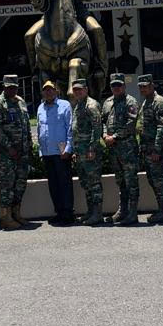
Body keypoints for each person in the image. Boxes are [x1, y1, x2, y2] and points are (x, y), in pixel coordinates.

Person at [0, 75, 31, 230]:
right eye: (9, 87)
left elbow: (26, 124)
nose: (11, 89)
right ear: (3, 86)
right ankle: (6, 217)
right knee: (7, 184)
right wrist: (9, 147)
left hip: (22, 152)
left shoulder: (20, 101)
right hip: (6, 154)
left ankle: (16, 213)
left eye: (14, 87)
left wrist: (27, 145)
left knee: (20, 183)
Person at [102, 74, 141, 226]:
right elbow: (103, 121)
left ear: (124, 86)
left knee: (131, 181)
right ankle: (122, 210)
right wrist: (105, 134)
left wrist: (115, 137)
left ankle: (132, 213)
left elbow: (131, 123)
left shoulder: (130, 101)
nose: (116, 88)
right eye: (113, 85)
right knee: (120, 181)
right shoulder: (107, 102)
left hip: (127, 148)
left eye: (119, 85)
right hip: (114, 150)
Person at [69, 78, 107, 226]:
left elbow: (97, 129)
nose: (77, 92)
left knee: (94, 183)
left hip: (90, 152)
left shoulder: (91, 105)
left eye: (80, 89)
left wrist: (91, 148)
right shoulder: (78, 105)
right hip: (80, 152)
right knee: (86, 183)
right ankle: (91, 211)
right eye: (75, 90)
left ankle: (97, 214)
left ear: (86, 89)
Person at [37, 79, 75, 225]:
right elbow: (40, 130)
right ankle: (59, 212)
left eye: (51, 89)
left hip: (61, 152)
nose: (48, 92)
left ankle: (68, 213)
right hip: (47, 153)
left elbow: (70, 128)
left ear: (56, 91)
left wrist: (68, 148)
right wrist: (41, 151)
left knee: (64, 183)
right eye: (46, 90)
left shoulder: (65, 105)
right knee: (53, 184)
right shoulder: (40, 107)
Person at [136, 74, 163, 223]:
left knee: (159, 181)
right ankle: (161, 210)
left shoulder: (159, 102)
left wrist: (157, 150)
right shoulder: (145, 102)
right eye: (141, 87)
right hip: (147, 150)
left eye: (146, 86)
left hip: (155, 151)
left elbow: (162, 127)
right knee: (153, 180)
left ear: (152, 86)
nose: (143, 89)